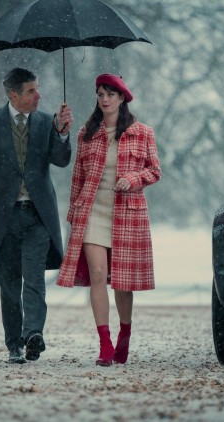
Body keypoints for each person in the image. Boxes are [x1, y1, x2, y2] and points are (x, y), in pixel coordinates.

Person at [0, 67, 73, 364]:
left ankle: (33, 334)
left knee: (34, 279)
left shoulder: (46, 121)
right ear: (13, 95)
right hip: (4, 216)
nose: (38, 96)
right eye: (31, 91)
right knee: (9, 285)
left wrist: (62, 133)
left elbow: (61, 160)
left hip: (39, 216)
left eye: (38, 89)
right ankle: (14, 344)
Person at [56, 74, 161, 366]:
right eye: (100, 94)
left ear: (122, 98)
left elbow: (155, 170)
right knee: (98, 275)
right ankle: (104, 342)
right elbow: (78, 176)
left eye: (110, 94)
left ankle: (124, 333)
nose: (104, 100)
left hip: (127, 213)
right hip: (92, 212)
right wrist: (74, 215)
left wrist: (133, 178)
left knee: (122, 283)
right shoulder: (87, 133)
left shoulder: (143, 132)